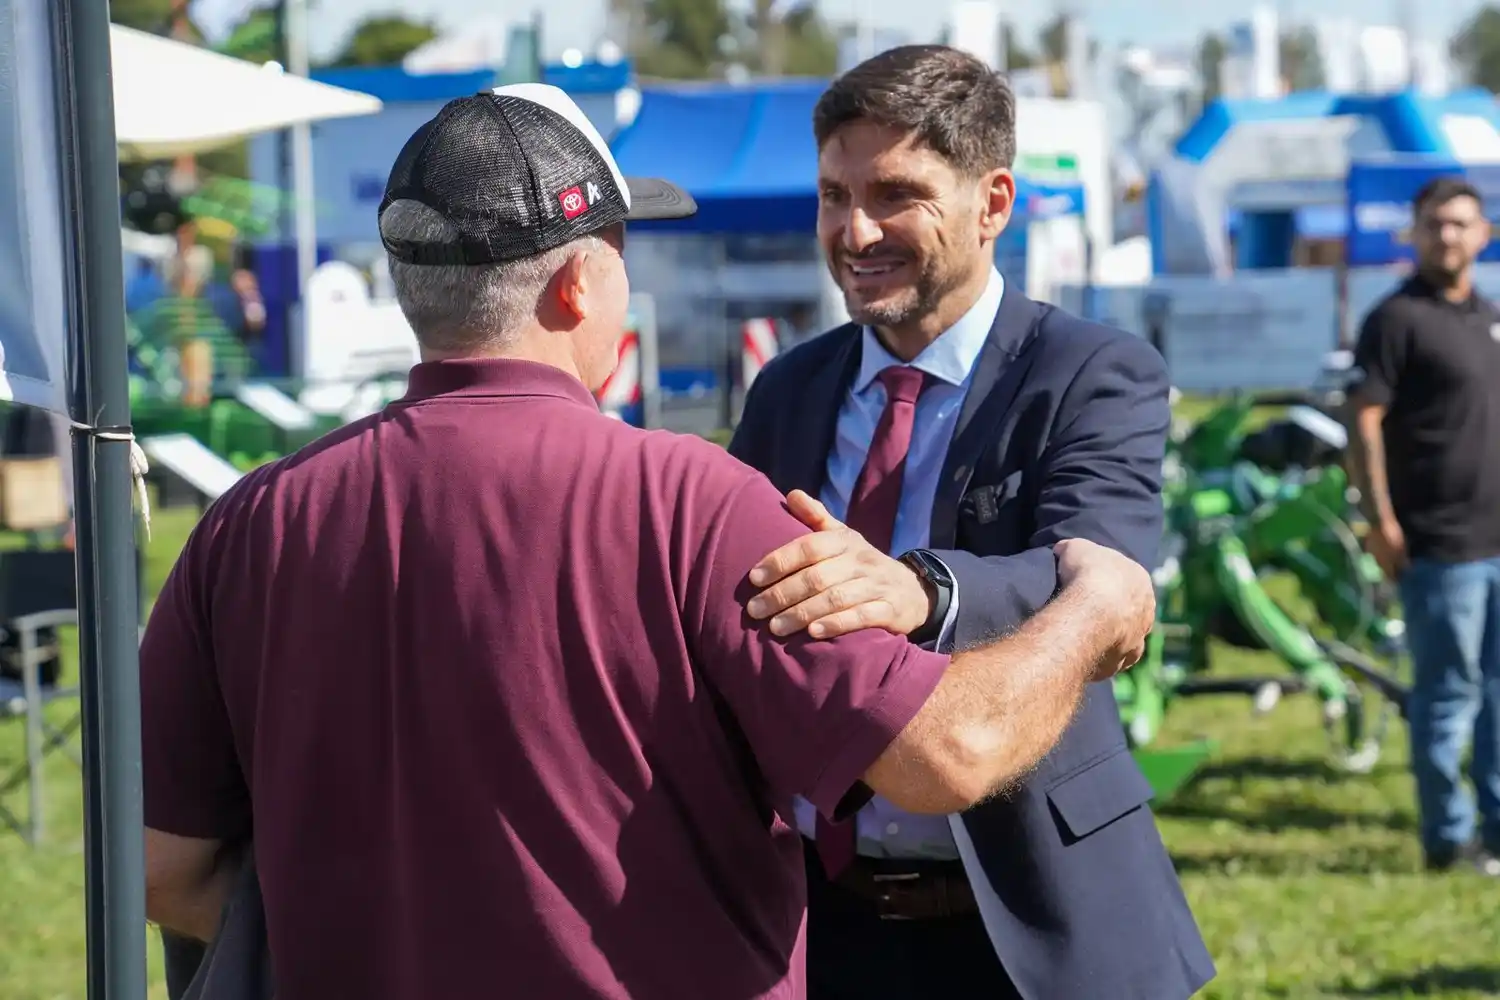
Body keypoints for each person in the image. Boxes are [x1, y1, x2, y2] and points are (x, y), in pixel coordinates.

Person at [139, 84, 1158, 1000]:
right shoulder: (688, 502)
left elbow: (162, 870)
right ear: (580, 287)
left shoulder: (246, 524)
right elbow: (951, 752)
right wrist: (1091, 614)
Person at [729, 46, 1214, 1000]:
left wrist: (922, 587)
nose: (854, 229)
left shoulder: (1092, 372)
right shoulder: (789, 388)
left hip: (1039, 925)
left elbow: (1101, 581)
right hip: (822, 926)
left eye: (895, 193)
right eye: (833, 195)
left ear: (994, 203)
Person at [1347, 176, 1500, 876]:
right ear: (1416, 233)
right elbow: (1364, 420)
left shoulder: (1488, 317)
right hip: (1440, 543)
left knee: (1496, 694)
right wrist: (1379, 518)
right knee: (1447, 695)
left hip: (1496, 539)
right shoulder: (1396, 320)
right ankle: (1450, 838)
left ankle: (1495, 823)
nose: (1449, 236)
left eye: (1462, 224)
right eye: (1437, 224)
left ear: (1484, 235)